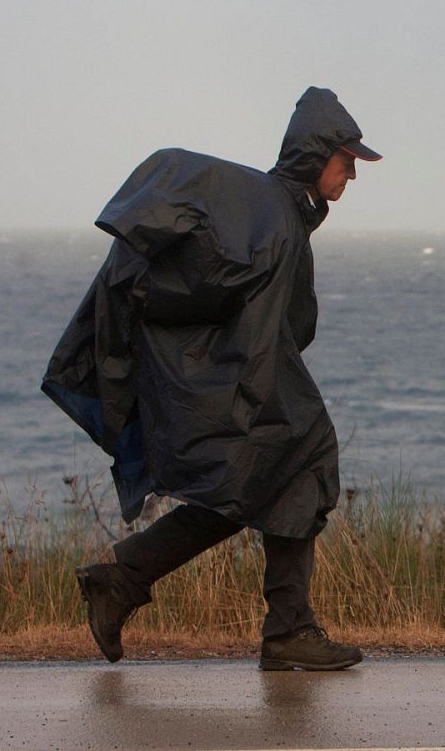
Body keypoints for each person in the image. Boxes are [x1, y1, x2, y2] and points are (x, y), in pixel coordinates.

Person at [41, 87, 380, 670]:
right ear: (315, 154)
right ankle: (284, 629)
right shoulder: (277, 218)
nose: (352, 172)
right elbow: (266, 327)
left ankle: (127, 579)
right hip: (242, 378)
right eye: (345, 159)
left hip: (237, 374)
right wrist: (250, 398)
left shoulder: (279, 211)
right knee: (300, 460)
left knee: (266, 482)